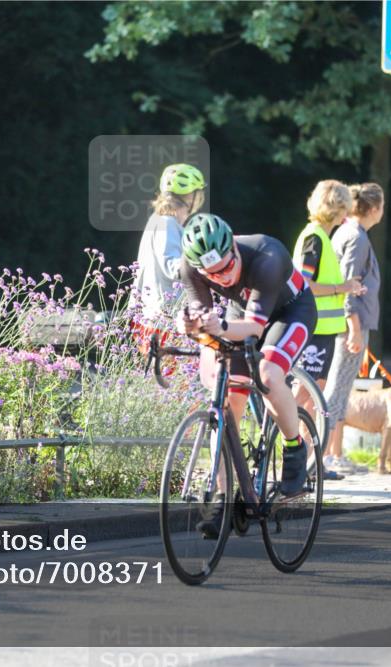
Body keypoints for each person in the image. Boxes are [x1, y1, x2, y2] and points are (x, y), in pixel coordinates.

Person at [176, 213, 317, 538]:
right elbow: (202, 320)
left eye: (227, 267)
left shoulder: (268, 255)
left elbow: (254, 328)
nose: (223, 278)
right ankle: (223, 498)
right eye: (213, 274)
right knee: (226, 401)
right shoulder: (189, 267)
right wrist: (190, 326)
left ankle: (294, 448)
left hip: (290, 312)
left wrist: (221, 326)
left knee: (268, 374)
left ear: (234, 249)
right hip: (242, 313)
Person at [292, 180, 366, 476]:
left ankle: (309, 463)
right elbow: (304, 283)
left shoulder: (321, 236)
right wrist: (342, 287)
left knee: (313, 398)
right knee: (303, 396)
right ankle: (288, 455)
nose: (348, 213)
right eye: (345, 207)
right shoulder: (315, 238)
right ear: (336, 208)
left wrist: (345, 287)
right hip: (314, 329)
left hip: (323, 330)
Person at [323, 183, 384, 472]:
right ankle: (326, 456)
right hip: (350, 326)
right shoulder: (357, 237)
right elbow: (348, 283)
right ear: (374, 209)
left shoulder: (348, 231)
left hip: (347, 323)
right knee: (338, 388)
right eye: (382, 206)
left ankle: (334, 454)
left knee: (341, 387)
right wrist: (355, 328)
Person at [131, 163, 206, 326]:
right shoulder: (167, 223)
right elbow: (173, 267)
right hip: (164, 320)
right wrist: (206, 263)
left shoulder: (160, 221)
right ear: (191, 197)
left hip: (156, 317)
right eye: (199, 193)